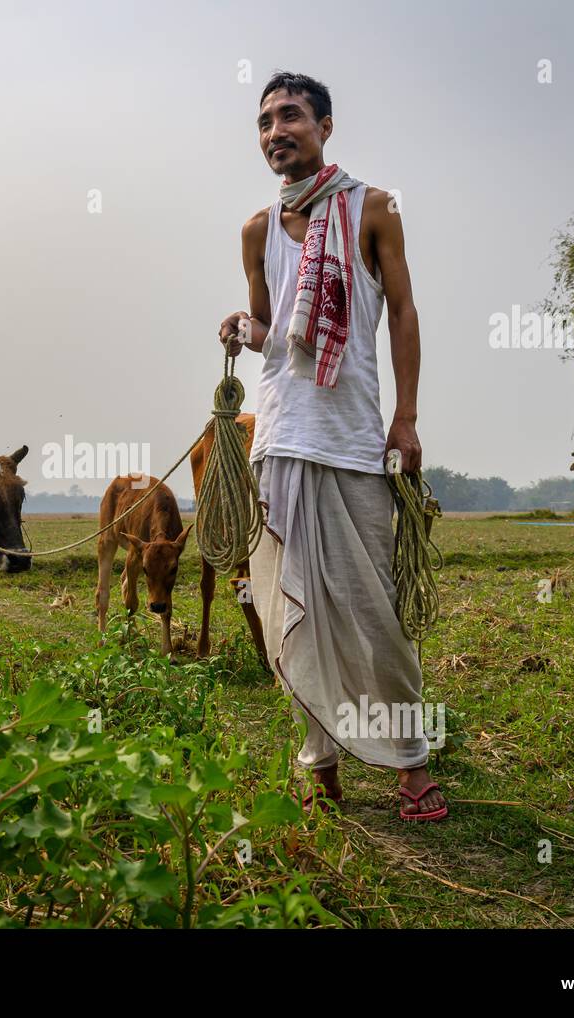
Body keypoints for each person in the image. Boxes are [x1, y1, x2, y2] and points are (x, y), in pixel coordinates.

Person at [219, 71, 447, 821]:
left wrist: (405, 418)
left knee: (371, 610)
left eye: (290, 117)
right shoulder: (256, 229)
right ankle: (319, 765)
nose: (275, 132)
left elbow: (404, 313)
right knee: (291, 615)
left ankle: (411, 767)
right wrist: (238, 330)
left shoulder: (371, 208)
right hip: (278, 441)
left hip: (351, 442)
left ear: (325, 127)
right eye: (264, 122)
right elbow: (267, 330)